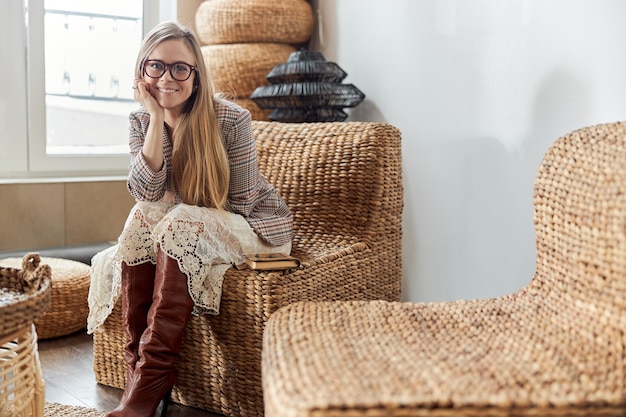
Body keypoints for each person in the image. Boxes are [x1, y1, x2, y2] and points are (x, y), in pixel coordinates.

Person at [92, 21, 293, 417]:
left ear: (196, 74)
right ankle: (142, 382)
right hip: (187, 225)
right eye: (156, 67)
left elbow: (241, 201)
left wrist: (183, 209)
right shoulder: (139, 121)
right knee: (141, 216)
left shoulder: (230, 119)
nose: (167, 77)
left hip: (253, 227)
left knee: (177, 218)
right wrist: (154, 118)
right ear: (142, 71)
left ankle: (149, 385)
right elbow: (147, 194)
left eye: (180, 68)